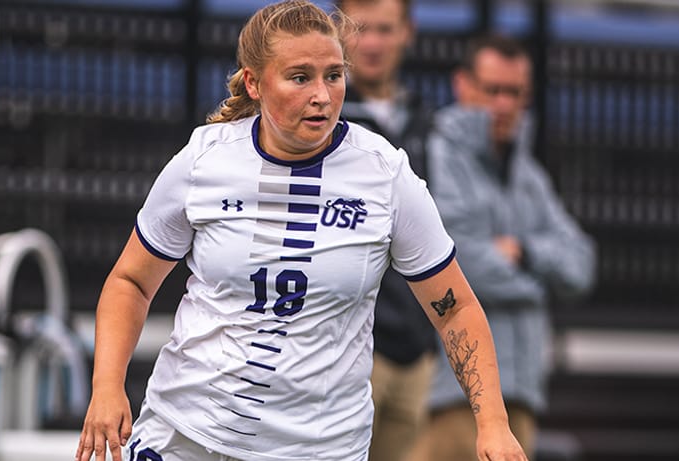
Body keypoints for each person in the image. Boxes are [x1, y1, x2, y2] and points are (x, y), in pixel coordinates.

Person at [73, 2, 528, 461]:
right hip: (187, 432)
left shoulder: (385, 174)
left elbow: (455, 309)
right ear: (254, 82)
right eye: (299, 77)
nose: (322, 95)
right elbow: (130, 281)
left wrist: (493, 425)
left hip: (317, 448)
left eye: (333, 75)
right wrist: (107, 386)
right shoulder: (204, 159)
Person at [410, 35, 596, 460]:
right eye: (492, 90)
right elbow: (461, 265)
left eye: (514, 93)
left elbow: (582, 264)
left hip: (523, 390)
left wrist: (526, 254)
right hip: (453, 393)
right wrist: (538, 284)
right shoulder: (436, 155)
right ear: (462, 85)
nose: (503, 105)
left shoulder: (528, 174)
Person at [334, 1, 439, 460]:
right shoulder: (320, 117)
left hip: (417, 352)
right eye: (361, 29)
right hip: (345, 349)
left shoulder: (428, 120)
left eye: (384, 29)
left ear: (407, 32)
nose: (372, 43)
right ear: (337, 30)